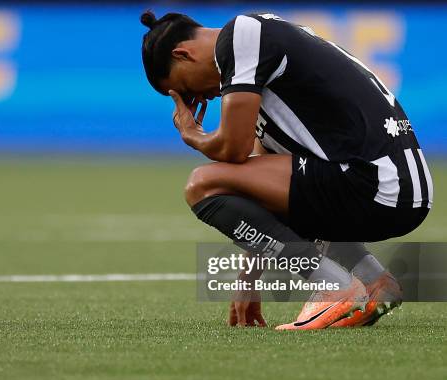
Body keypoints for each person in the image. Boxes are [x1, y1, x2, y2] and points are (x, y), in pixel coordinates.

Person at [139, 11, 432, 329]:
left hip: (377, 183)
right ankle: (374, 280)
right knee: (249, 183)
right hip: (393, 187)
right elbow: (259, 187)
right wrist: (248, 278)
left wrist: (192, 134)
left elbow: (233, 150)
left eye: (185, 88)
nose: (198, 98)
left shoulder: (240, 36)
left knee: (203, 184)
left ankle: (334, 285)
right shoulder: (259, 62)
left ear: (182, 54)